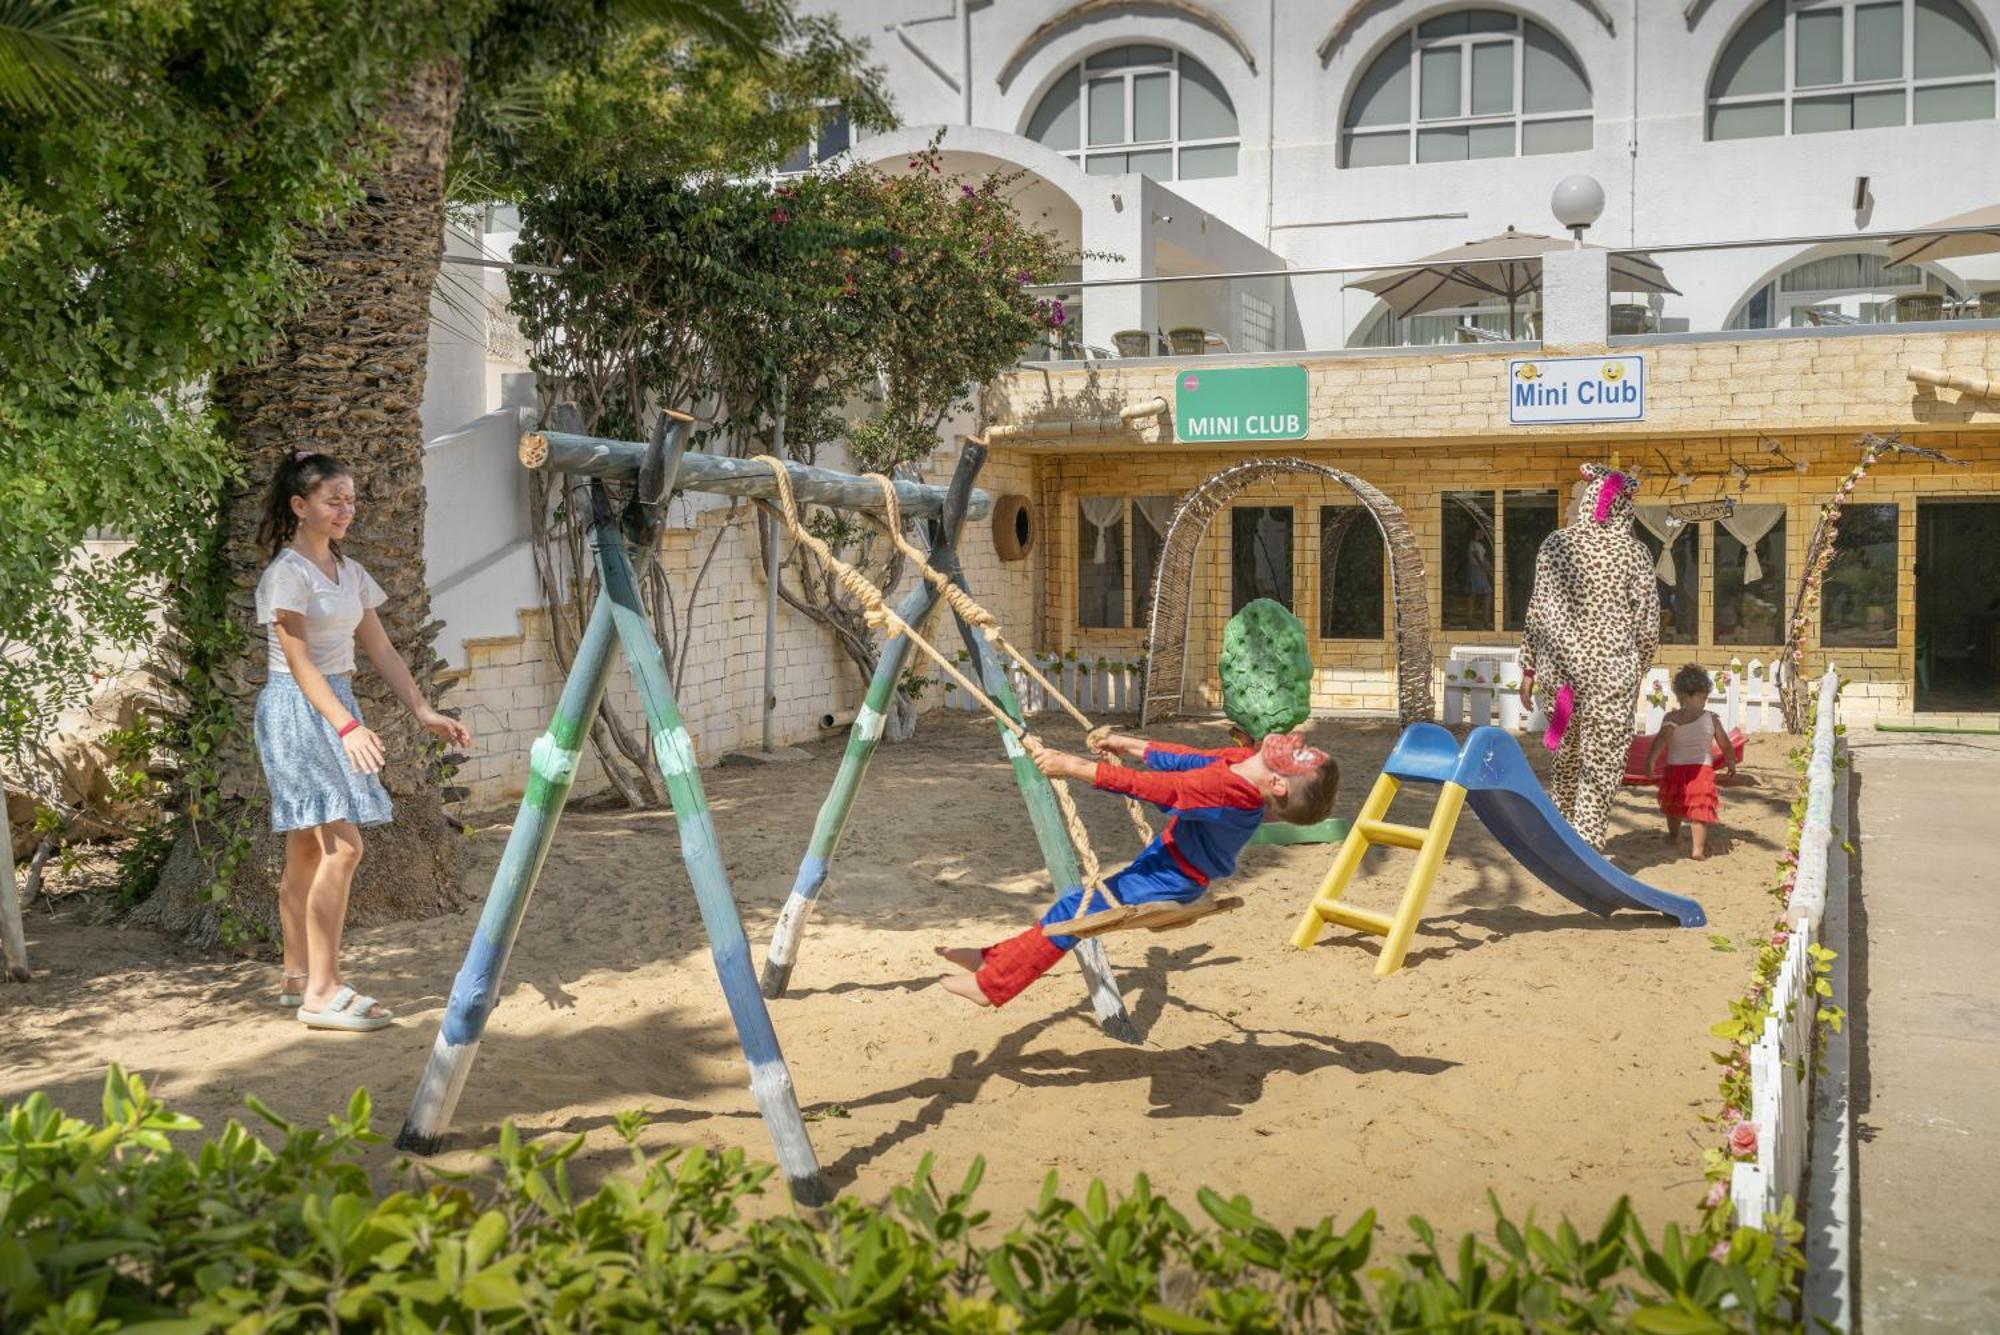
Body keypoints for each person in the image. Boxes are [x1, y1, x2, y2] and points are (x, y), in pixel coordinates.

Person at [253, 451, 472, 1031]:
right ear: (301, 506)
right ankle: (323, 993)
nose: (346, 509)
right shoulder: (287, 574)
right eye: (334, 500)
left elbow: (380, 649)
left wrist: (423, 710)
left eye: (351, 499)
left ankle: (297, 975)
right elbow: (298, 663)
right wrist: (347, 727)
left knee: (308, 848)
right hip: (298, 710)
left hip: (336, 705)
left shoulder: (348, 573)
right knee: (344, 847)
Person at [935, 730, 1340, 1008]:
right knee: (1072, 910)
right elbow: (1185, 758)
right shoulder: (1239, 763)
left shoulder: (1230, 794)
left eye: (1299, 756)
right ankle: (991, 958)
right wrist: (1127, 744)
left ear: (1279, 785)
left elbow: (1156, 788)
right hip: (1165, 862)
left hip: (1171, 880)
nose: (1295, 741)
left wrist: (1073, 766)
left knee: (1072, 913)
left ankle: (990, 987)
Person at [1644, 663, 1737, 861]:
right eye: (1703, 697)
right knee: (1699, 810)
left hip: (1675, 769)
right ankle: (1697, 850)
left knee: (1673, 804)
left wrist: (1651, 762)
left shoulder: (1672, 718)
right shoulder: (1711, 719)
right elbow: (1725, 743)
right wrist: (1730, 760)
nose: (1704, 702)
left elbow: (1660, 741)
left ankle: (1674, 836)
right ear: (1687, 696)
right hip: (1701, 770)